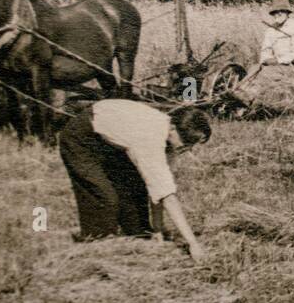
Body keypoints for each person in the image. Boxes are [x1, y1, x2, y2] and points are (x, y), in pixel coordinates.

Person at [59, 99, 210, 261]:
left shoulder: (167, 136)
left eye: (192, 144)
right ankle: (96, 252)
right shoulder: (150, 138)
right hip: (81, 138)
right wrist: (193, 243)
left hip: (110, 142)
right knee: (104, 197)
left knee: (136, 199)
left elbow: (158, 189)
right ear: (173, 128)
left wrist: (157, 229)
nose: (188, 148)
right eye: (187, 141)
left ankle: (137, 238)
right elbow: (169, 198)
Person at [235, 0, 294, 109]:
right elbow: (266, 49)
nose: (277, 14)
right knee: (254, 68)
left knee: (267, 74)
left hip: (292, 65)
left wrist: (276, 61)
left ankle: (250, 98)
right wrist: (265, 60)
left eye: (281, 11)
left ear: (288, 12)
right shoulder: (271, 29)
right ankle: (239, 92)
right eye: (275, 12)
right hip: (273, 64)